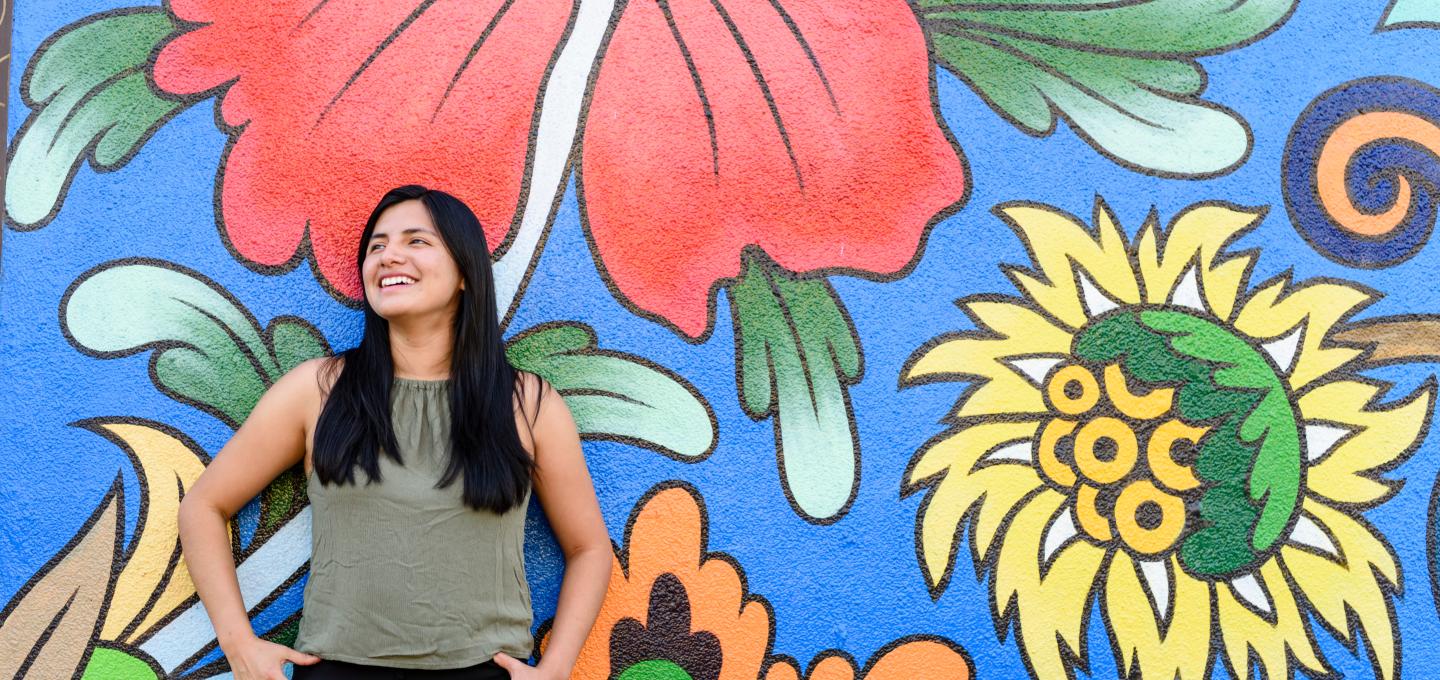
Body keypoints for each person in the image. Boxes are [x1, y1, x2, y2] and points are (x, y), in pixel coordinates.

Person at [178, 185, 612, 680]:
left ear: (466, 272)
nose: (389, 257)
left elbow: (589, 548)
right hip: (341, 671)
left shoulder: (528, 405)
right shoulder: (317, 391)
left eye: (416, 241)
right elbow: (203, 507)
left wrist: (556, 668)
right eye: (376, 246)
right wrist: (239, 645)